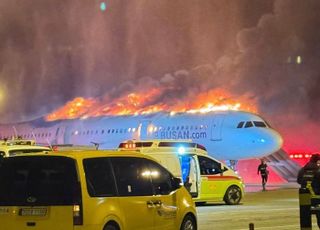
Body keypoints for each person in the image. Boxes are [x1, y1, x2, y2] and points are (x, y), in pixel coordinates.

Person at [297, 153, 320, 228]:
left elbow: (299, 181)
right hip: (318, 199)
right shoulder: (318, 171)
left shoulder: (302, 170)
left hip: (305, 200)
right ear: (318, 161)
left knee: (305, 223)